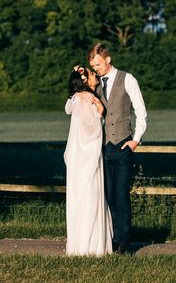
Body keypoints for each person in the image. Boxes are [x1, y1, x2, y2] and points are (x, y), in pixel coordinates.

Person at [84, 42, 147, 254]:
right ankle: (112, 238)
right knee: (109, 195)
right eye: (93, 66)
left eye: (99, 64)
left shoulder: (127, 79)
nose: (96, 69)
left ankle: (124, 241)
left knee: (121, 194)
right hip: (103, 148)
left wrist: (135, 140)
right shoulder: (96, 83)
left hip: (123, 145)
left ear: (108, 59)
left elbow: (141, 111)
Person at [63, 65, 113, 256]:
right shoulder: (85, 100)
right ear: (84, 81)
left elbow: (68, 107)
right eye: (92, 74)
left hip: (82, 158)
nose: (96, 76)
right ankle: (89, 246)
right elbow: (90, 130)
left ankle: (85, 244)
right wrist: (100, 112)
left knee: (85, 197)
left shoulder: (81, 98)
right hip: (87, 159)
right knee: (89, 197)